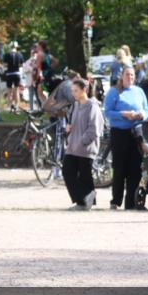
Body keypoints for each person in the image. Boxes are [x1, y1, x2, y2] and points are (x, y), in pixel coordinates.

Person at [104, 65, 148, 210]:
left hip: (136, 133)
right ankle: (116, 201)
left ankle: (131, 201)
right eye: (127, 75)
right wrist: (123, 114)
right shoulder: (114, 92)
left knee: (135, 169)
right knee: (119, 168)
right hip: (119, 133)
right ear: (121, 76)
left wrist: (142, 115)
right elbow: (108, 112)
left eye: (132, 75)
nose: (130, 77)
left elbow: (146, 110)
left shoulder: (139, 91)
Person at [62, 78, 104, 210]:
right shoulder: (75, 105)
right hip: (72, 147)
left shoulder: (92, 106)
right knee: (67, 172)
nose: (73, 93)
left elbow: (94, 129)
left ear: (84, 90)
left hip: (86, 149)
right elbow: (73, 123)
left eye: (76, 90)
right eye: (72, 90)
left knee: (85, 176)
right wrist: (69, 129)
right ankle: (86, 199)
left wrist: (82, 141)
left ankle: (85, 202)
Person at [2, 42, 24, 112]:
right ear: (16, 47)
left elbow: (5, 65)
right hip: (17, 73)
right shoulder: (19, 54)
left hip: (9, 74)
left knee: (9, 91)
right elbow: (21, 65)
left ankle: (9, 106)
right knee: (17, 90)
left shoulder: (7, 54)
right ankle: (17, 106)